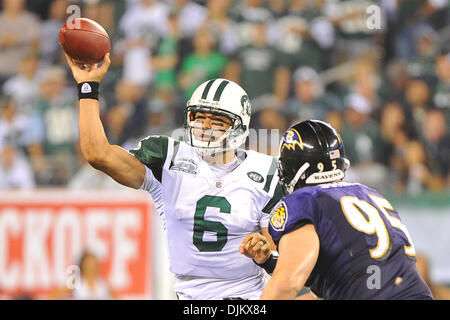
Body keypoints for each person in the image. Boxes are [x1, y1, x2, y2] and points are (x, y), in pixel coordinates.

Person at [63, 52, 282, 300]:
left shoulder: (266, 172)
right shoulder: (168, 157)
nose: (205, 126)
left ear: (239, 126)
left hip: (248, 299)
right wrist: (88, 86)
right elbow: (97, 154)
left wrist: (265, 256)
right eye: (199, 117)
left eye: (216, 120)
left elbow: (283, 267)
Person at [240, 120, 433, 300]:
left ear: (292, 167)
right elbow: (330, 292)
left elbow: (285, 287)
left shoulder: (303, 201)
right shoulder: (369, 194)